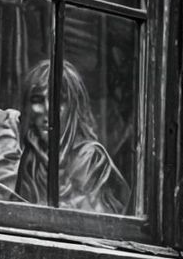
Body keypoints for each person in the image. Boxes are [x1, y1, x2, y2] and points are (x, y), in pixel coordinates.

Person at [11, 58, 128, 215]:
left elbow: (90, 222)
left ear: (73, 107)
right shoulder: (30, 160)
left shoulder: (89, 157)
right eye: (37, 100)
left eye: (58, 100)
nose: (48, 111)